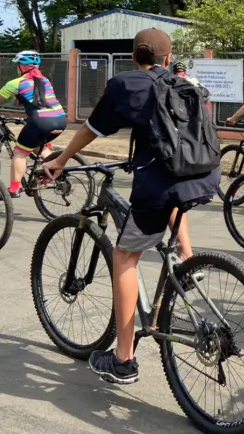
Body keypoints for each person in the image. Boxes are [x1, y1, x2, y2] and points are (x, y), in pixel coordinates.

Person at [42, 28, 220, 385]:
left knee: (125, 257)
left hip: (160, 181)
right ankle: (187, 258)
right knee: (172, 201)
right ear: (168, 59)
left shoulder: (126, 84)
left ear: (133, 56)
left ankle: (123, 360)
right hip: (204, 175)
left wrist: (61, 159)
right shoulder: (184, 82)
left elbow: (91, 129)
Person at [0, 51, 67, 198]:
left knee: (20, 153)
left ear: (22, 66)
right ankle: (58, 175)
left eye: (17, 65)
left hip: (41, 121)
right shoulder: (45, 80)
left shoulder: (16, 83)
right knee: (40, 147)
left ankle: (14, 189)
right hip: (60, 120)